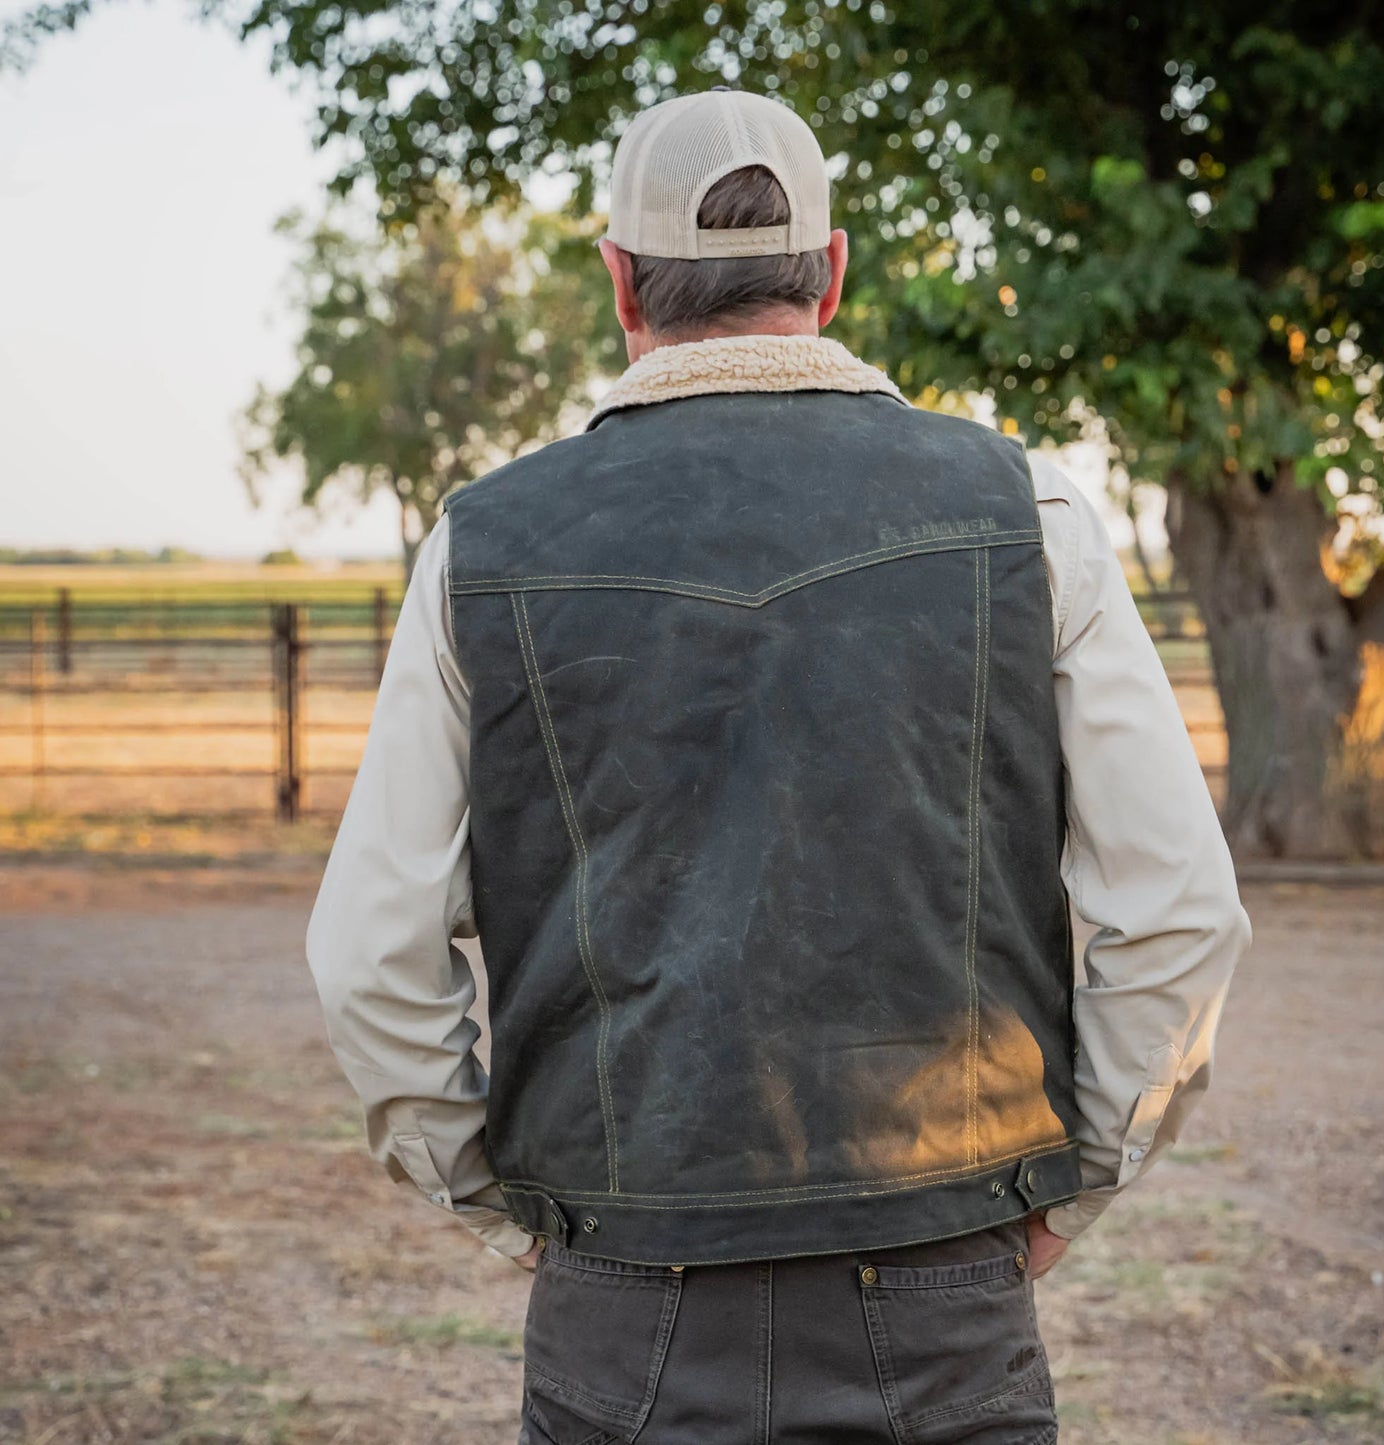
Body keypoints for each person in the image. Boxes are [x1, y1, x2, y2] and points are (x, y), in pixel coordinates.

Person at [307, 87, 1250, 1445]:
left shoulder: (483, 542)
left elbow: (367, 958)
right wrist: (1068, 1184)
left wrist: (492, 1199)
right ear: (832, 268)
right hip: (946, 1281)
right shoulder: (1024, 513)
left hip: (622, 1291)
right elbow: (1177, 912)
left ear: (620, 281)